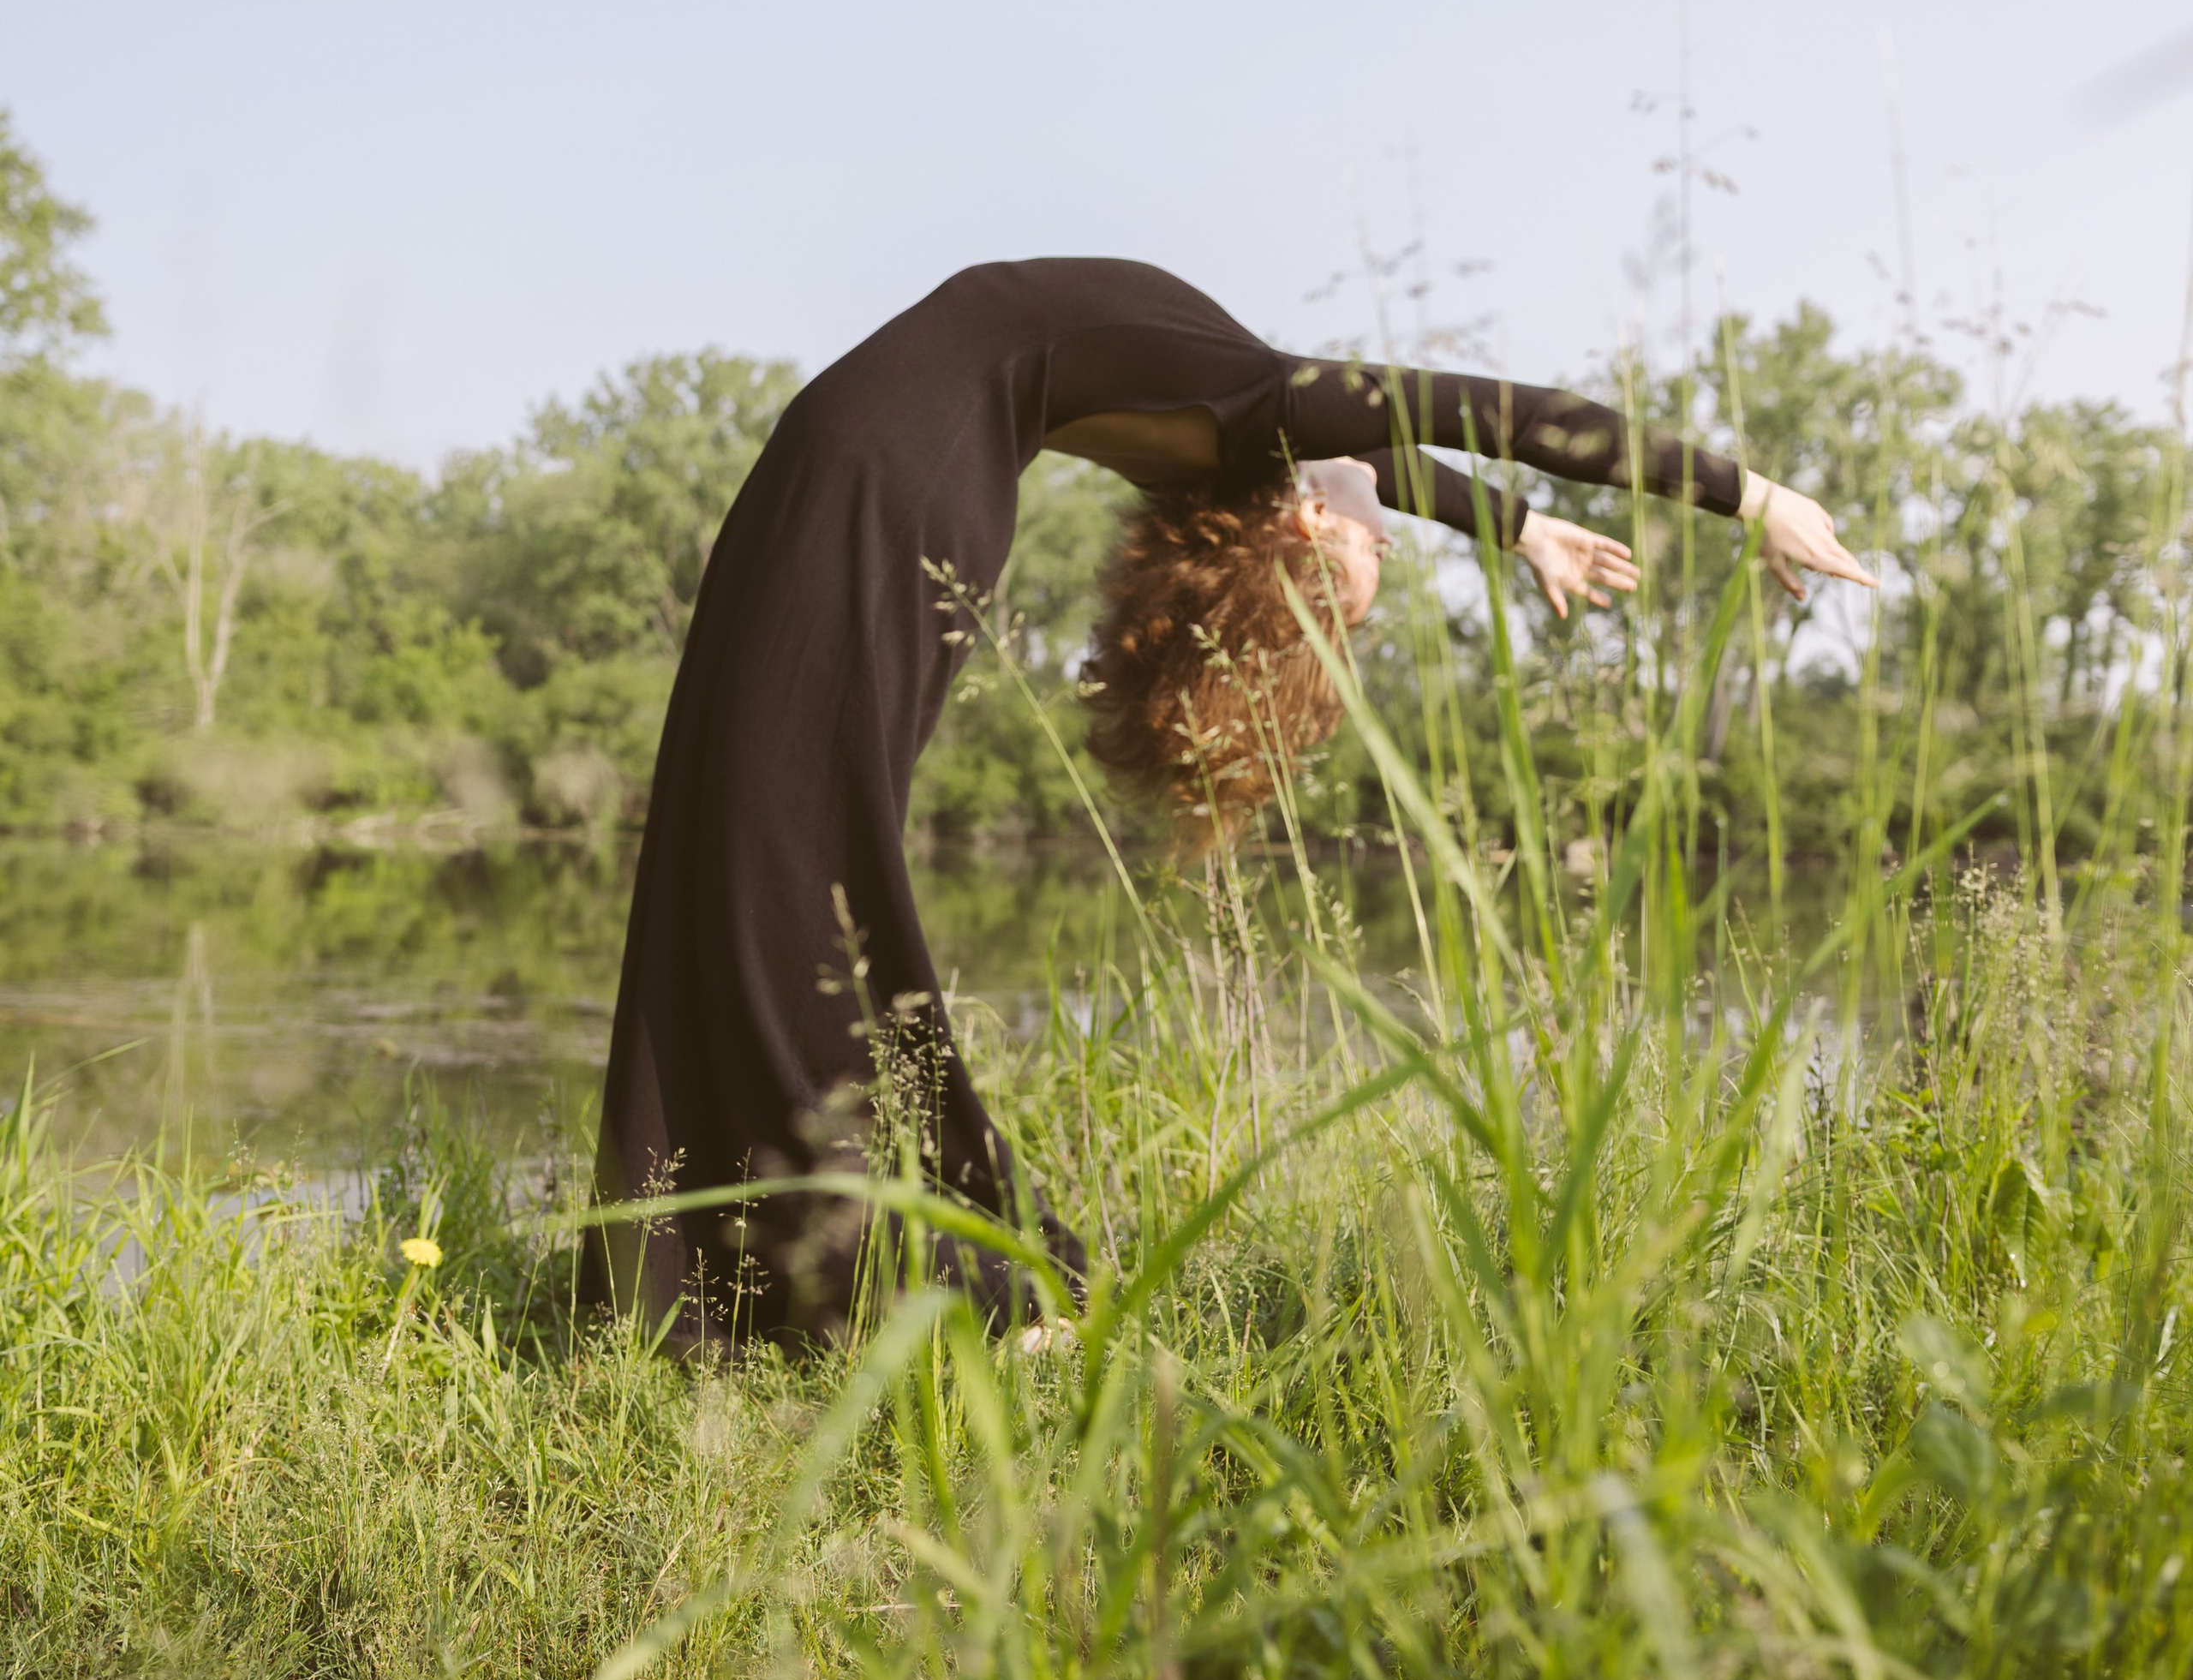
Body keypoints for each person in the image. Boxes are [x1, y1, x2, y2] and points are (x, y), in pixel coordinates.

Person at [583, 257, 1872, 1348]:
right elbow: (1489, 411)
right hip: (877, 469)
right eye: (1373, 566)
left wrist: (1516, 528)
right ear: (1310, 520)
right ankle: (932, 1277)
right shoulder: (1262, 413)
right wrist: (1742, 496)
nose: (1383, 544)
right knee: (790, 854)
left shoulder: (1258, 427)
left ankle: (733, 1270)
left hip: (854, 454)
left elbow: (1373, 460)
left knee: (759, 841)